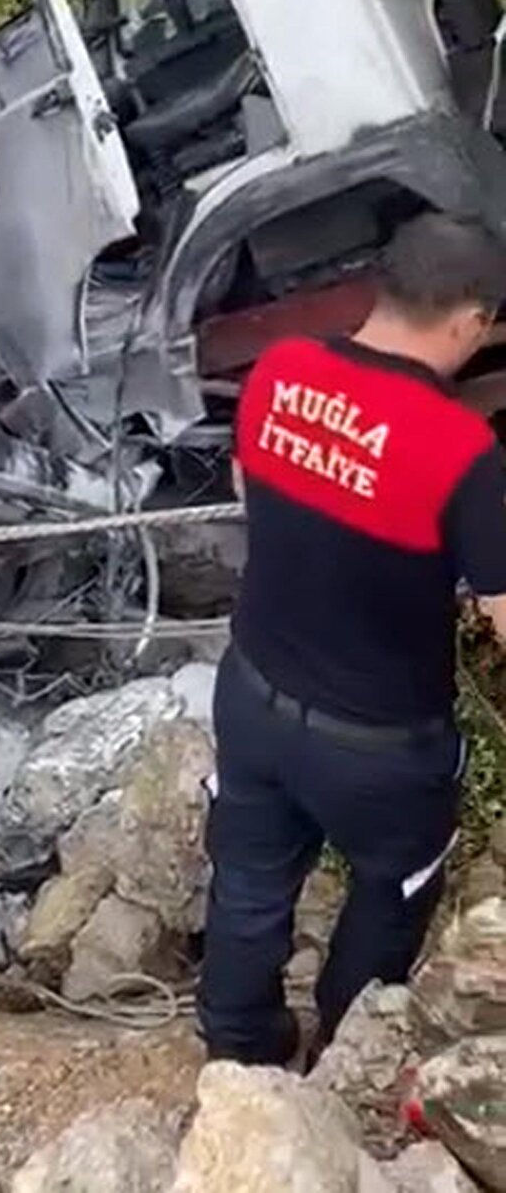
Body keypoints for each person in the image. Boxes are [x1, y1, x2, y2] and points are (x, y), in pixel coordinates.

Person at [198, 212, 506, 1068]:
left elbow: (249, 485)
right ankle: (344, 1052)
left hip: (254, 690)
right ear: (470, 323)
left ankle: (239, 1051)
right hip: (379, 743)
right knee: (392, 888)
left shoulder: (280, 369)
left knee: (251, 882)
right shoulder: (461, 449)